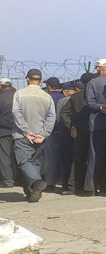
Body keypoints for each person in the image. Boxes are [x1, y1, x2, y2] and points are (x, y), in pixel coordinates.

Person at [11, 69, 56, 202]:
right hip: (39, 135)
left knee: (24, 161)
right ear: (40, 80)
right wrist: (43, 133)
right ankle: (31, 192)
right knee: (35, 162)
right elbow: (51, 117)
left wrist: (26, 131)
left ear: (27, 79)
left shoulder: (19, 94)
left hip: (22, 134)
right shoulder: (46, 96)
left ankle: (36, 183)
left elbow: (16, 113)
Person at [85, 59, 106, 194]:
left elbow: (90, 102)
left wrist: (102, 107)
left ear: (98, 68)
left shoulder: (93, 82)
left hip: (97, 124)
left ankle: (91, 187)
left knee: (95, 156)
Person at [64, 73, 94, 196]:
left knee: (78, 160)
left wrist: (71, 126)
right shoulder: (96, 93)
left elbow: (64, 113)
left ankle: (75, 187)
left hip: (80, 130)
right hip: (94, 129)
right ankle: (96, 186)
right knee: (96, 158)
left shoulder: (75, 96)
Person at [0, 78, 18, 188]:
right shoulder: (18, 96)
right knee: (15, 155)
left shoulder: (1, 98)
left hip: (3, 130)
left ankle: (8, 181)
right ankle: (16, 178)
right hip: (19, 130)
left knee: (4, 156)